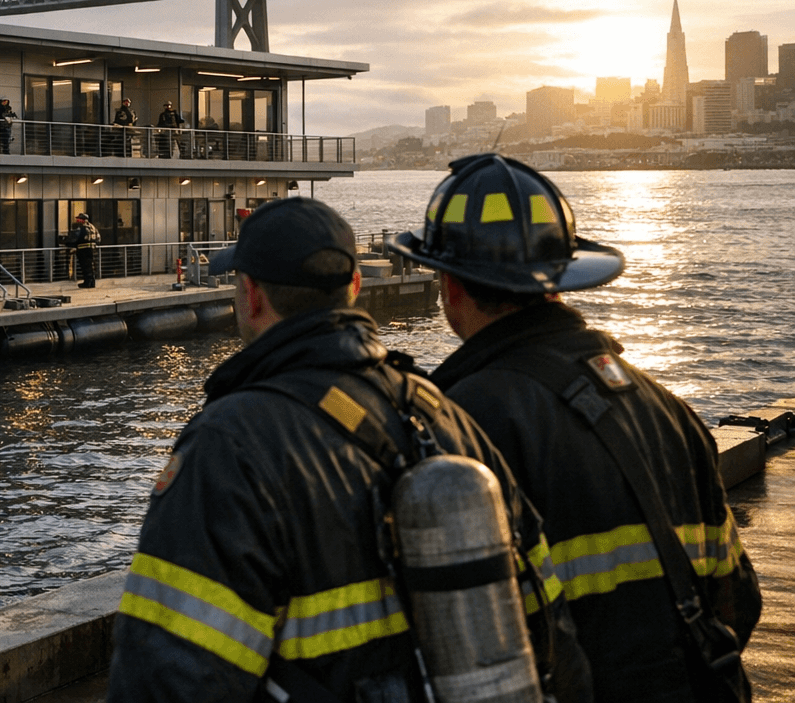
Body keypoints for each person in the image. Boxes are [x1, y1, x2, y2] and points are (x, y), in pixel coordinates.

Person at [108, 197, 589, 702]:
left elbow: (169, 678)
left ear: (249, 295)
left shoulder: (229, 444)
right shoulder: (442, 413)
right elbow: (550, 627)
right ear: (355, 287)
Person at [389, 153, 761, 702]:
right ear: (560, 279)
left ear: (452, 285)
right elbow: (739, 599)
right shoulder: (661, 404)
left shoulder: (455, 424)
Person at [66, 212, 100, 288]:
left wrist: (70, 245)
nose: (77, 220)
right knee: (90, 267)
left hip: (83, 250)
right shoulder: (92, 227)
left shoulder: (81, 227)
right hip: (92, 249)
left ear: (82, 220)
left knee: (85, 267)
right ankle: (92, 282)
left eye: (79, 219)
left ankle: (87, 283)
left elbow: (75, 238)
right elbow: (98, 238)